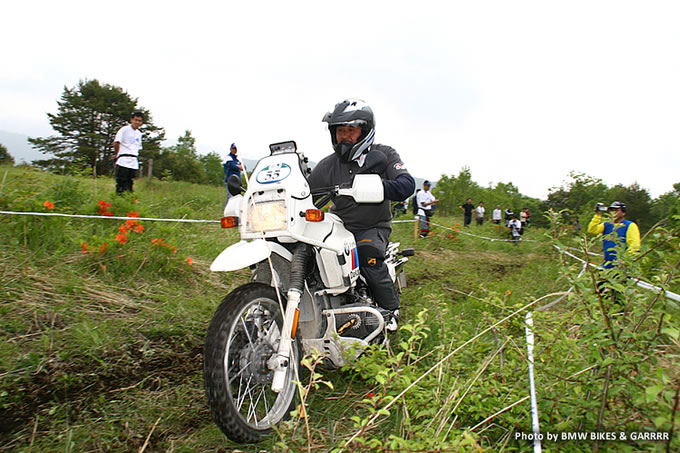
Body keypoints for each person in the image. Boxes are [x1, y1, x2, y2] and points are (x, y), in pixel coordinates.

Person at [307, 99, 415, 330]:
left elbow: (406, 184)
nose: (344, 136)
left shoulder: (384, 154)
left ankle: (390, 310)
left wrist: (380, 186)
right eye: (340, 131)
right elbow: (307, 193)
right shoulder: (328, 165)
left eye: (350, 131)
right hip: (337, 227)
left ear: (364, 131)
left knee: (368, 256)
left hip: (373, 226)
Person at [588, 201, 640, 269]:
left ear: (623, 212)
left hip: (623, 265)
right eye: (612, 210)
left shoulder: (630, 225)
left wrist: (625, 260)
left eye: (616, 210)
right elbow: (592, 230)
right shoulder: (606, 224)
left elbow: (634, 245)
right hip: (608, 263)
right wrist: (597, 215)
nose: (613, 212)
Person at [113, 112, 144, 194]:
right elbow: (117, 142)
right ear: (131, 120)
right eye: (136, 120)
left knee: (130, 183)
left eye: (139, 121)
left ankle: (129, 199)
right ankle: (119, 199)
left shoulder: (139, 134)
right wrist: (117, 154)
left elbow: (138, 147)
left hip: (133, 160)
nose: (137, 122)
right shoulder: (124, 130)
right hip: (124, 159)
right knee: (121, 182)